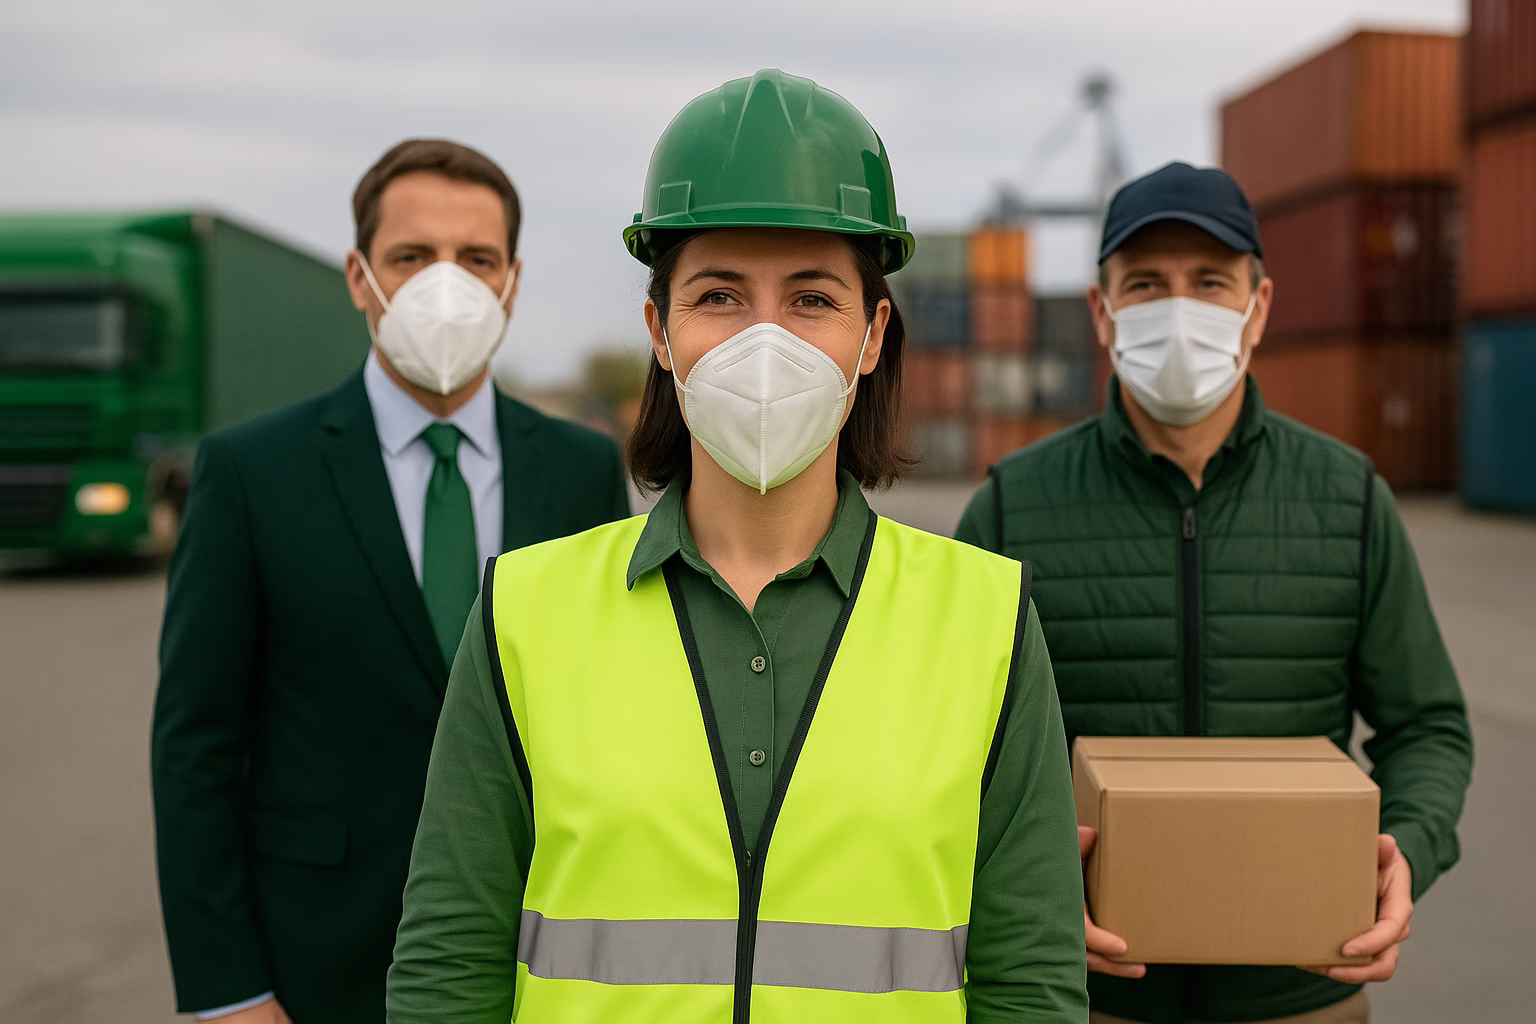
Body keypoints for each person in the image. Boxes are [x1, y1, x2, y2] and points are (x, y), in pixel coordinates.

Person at [386, 69, 1089, 1024]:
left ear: (873, 334)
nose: (766, 342)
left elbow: (1031, 980)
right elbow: (448, 964)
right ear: (660, 334)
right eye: (718, 296)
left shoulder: (986, 619)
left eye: (811, 300)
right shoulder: (524, 609)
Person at [956, 162, 1473, 1024]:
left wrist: (1405, 851)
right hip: (1079, 999)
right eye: (1147, 284)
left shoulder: (1347, 500)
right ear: (1102, 312)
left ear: (1258, 308)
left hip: (1303, 994)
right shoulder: (1011, 506)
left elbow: (1428, 725)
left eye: (1209, 282)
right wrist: (1020, 878)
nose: (1179, 309)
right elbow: (946, 748)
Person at [151, 139, 631, 1024]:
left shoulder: (581, 470)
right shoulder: (252, 473)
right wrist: (228, 993)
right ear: (358, 276)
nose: (444, 284)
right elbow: (196, 750)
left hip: (541, 962)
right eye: (412, 257)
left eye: (476, 258)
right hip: (317, 966)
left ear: (513, 282)